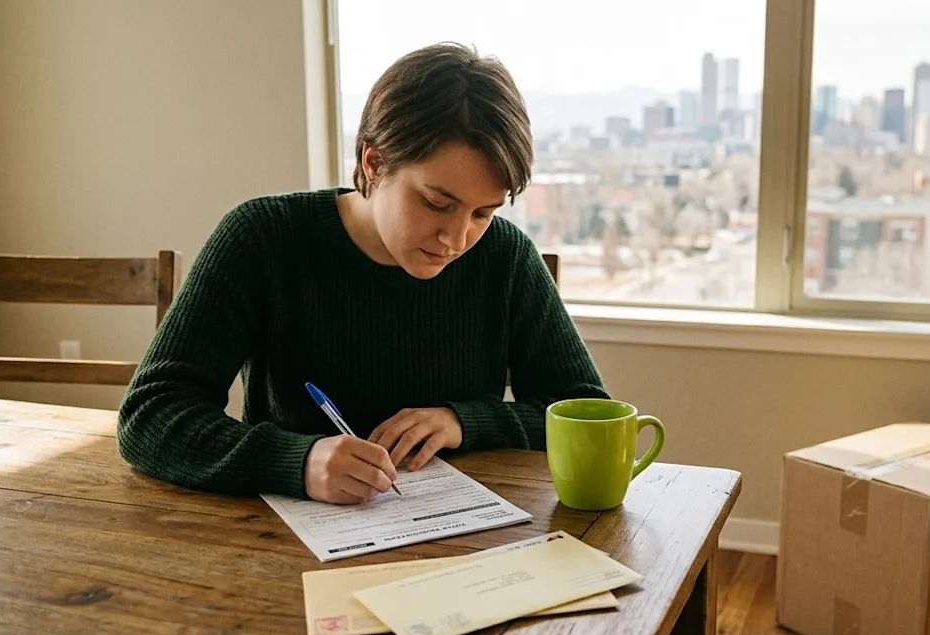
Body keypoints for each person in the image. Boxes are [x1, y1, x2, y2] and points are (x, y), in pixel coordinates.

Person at [116, 42, 609, 505]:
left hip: (464, 547)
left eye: (483, 213)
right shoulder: (263, 239)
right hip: (285, 549)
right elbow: (151, 415)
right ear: (373, 163)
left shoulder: (506, 258)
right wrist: (298, 461)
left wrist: (465, 421)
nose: (457, 240)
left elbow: (588, 410)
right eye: (438, 203)